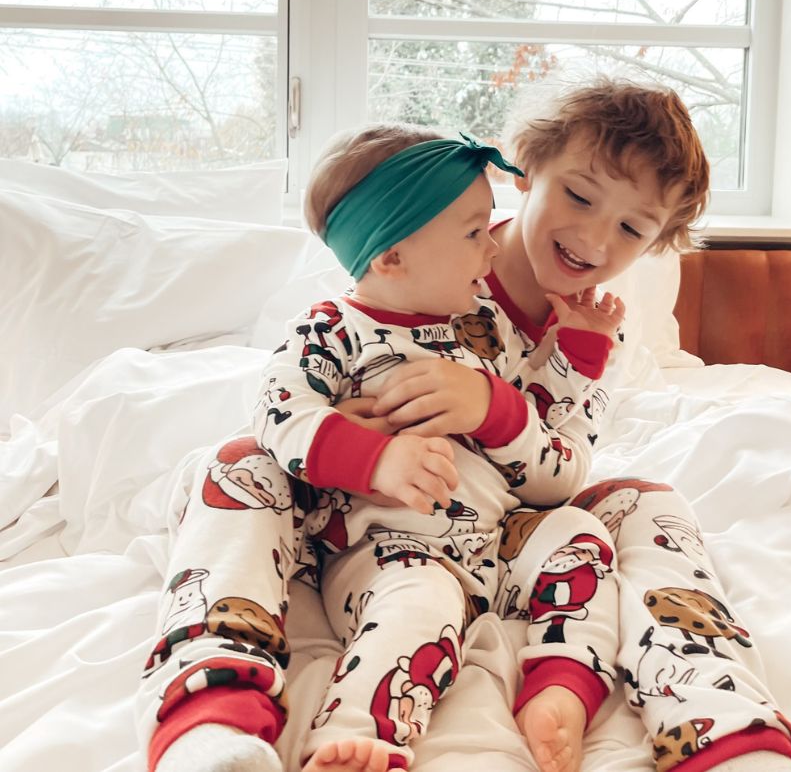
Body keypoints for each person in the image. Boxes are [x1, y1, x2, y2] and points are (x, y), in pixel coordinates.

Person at [137, 80, 791, 772]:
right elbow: (304, 382)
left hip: (496, 533)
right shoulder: (431, 241)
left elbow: (560, 474)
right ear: (526, 167)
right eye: (579, 197)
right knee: (230, 463)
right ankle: (209, 717)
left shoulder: (587, 330)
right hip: (349, 520)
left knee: (648, 500)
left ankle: (723, 728)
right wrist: (350, 437)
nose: (592, 237)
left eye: (631, 229)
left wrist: (493, 405)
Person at [141, 123, 625, 772]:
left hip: (465, 550)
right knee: (243, 475)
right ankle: (274, 728)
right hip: (367, 543)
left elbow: (540, 419)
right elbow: (279, 411)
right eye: (473, 233)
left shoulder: (482, 329)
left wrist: (580, 350)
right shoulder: (332, 329)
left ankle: (421, 719)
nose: (492, 250)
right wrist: (373, 458)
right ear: (392, 257)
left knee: (542, 553)